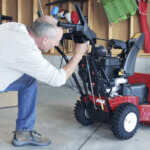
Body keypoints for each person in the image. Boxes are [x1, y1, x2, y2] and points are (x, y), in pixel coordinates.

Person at [0, 16, 89, 147]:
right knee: (29, 80)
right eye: (57, 41)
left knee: (28, 80)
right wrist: (79, 54)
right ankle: (24, 133)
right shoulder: (28, 51)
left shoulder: (14, 27)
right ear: (45, 39)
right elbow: (58, 79)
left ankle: (24, 131)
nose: (57, 45)